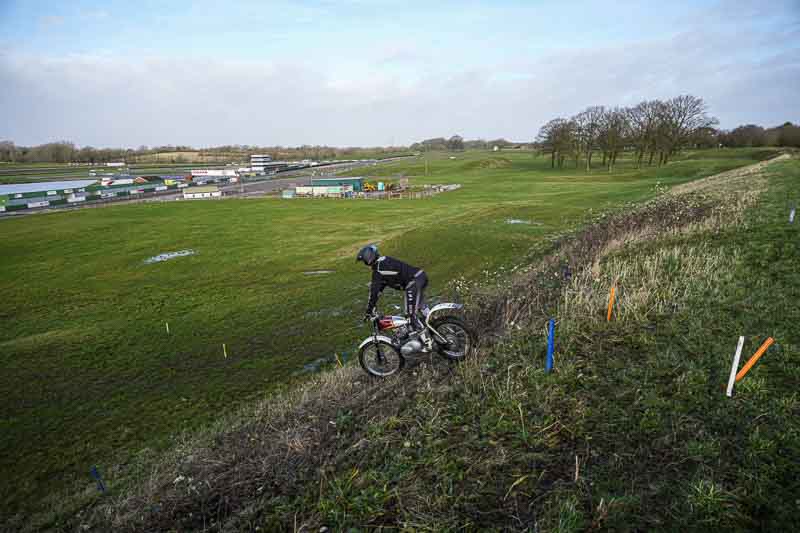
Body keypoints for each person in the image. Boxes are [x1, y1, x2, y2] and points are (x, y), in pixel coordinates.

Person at [356, 244, 428, 334]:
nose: (365, 264)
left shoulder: (378, 271)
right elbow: (379, 289)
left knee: (410, 316)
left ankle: (426, 340)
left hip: (414, 282)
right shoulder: (384, 261)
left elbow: (374, 293)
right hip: (420, 277)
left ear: (368, 259)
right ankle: (436, 325)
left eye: (364, 261)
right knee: (421, 308)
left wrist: (368, 311)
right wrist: (372, 307)